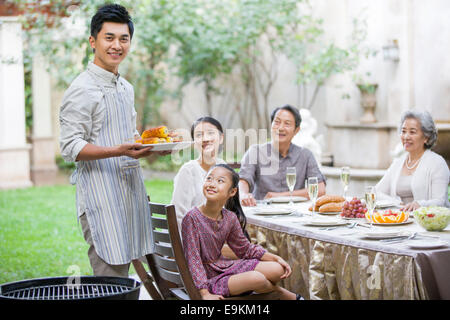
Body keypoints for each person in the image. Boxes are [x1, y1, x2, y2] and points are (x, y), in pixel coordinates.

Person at [59, 4, 166, 277]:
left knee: (129, 280)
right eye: (109, 38)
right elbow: (70, 146)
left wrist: (152, 147)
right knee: (110, 282)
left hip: (130, 194)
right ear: (93, 41)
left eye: (124, 38)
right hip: (101, 197)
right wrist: (117, 151)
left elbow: (128, 139)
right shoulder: (81, 88)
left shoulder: (125, 87)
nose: (117, 45)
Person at [181, 164, 300, 300]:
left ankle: (264, 289)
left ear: (232, 192)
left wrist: (276, 258)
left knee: (278, 269)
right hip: (208, 279)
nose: (212, 184)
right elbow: (193, 260)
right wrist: (204, 294)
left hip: (225, 267)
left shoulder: (230, 218)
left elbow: (245, 249)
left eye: (220, 181)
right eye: (209, 179)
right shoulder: (191, 218)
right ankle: (282, 294)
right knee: (257, 279)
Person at [239, 104, 326, 206]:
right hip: (262, 213)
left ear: (296, 130)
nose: (280, 128)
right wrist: (243, 194)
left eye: (287, 124)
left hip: (295, 213)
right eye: (277, 122)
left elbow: (320, 190)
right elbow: (244, 179)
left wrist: (280, 196)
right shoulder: (255, 151)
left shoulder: (305, 155)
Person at [375, 110, 450, 210]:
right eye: (403, 131)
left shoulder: (437, 163)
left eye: (412, 132)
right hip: (399, 221)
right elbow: (376, 192)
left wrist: (420, 205)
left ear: (426, 137)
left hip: (426, 223)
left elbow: (440, 202)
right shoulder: (398, 163)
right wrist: (397, 203)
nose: (406, 137)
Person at [171, 117, 226, 228]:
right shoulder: (188, 171)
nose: (205, 139)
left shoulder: (224, 168)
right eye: (199, 135)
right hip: (193, 239)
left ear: (221, 138)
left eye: (210, 133)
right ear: (194, 142)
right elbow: (178, 215)